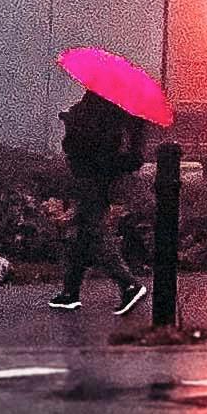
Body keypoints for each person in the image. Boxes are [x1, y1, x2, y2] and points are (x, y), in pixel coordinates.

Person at [53, 86, 153, 319]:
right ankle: (70, 292)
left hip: (93, 175)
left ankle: (129, 284)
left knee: (92, 231)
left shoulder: (100, 103)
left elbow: (78, 142)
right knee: (83, 234)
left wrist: (70, 119)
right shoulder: (124, 107)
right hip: (101, 174)